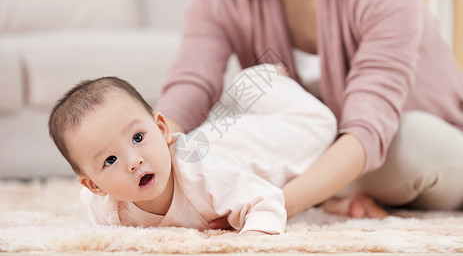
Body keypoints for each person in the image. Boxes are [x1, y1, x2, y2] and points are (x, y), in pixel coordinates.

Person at [155, 0, 463, 222]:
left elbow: (367, 130)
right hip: (319, 151)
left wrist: (271, 206)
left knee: (416, 140)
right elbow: (190, 88)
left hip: (415, 145)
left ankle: (318, 192)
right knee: (208, 132)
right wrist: (145, 145)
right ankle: (327, 193)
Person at [48, 64, 367, 236]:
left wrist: (253, 241)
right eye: (110, 159)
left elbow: (266, 200)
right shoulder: (104, 206)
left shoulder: (203, 176)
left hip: (263, 142)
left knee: (323, 124)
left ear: (162, 130)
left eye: (138, 138)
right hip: (216, 141)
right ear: (94, 184)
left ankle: (260, 79)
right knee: (217, 128)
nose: (134, 161)